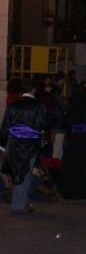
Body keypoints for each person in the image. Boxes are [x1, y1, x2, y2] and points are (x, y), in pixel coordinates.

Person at [0, 78, 50, 213]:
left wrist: (3, 147)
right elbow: (43, 126)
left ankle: (21, 201)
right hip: (30, 144)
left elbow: (5, 127)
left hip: (14, 143)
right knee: (26, 173)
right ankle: (18, 205)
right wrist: (43, 143)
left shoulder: (13, 106)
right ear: (33, 90)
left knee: (17, 172)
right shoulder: (39, 106)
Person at [60, 83, 86, 200]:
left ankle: (71, 191)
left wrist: (72, 131)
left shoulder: (71, 107)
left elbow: (66, 124)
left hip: (74, 141)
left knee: (73, 166)